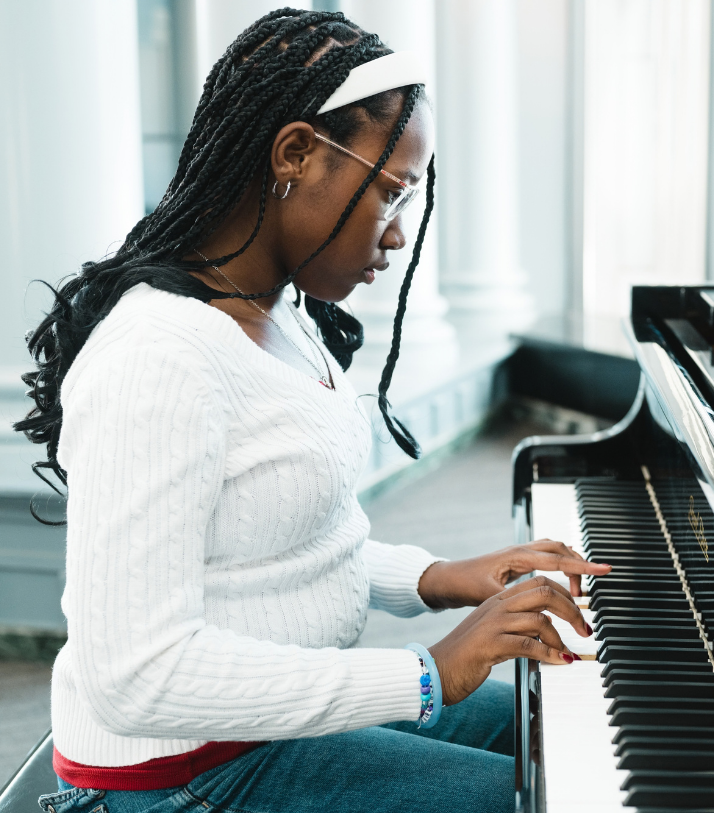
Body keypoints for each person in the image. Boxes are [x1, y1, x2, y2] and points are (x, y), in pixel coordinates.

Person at [16, 10, 610, 813]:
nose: (399, 236)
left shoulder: (281, 313)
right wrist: (429, 673)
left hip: (259, 722)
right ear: (294, 153)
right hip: (177, 777)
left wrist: (436, 579)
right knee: (547, 800)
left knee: (564, 732)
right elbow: (137, 673)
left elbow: (276, 540)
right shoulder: (158, 356)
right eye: (391, 194)